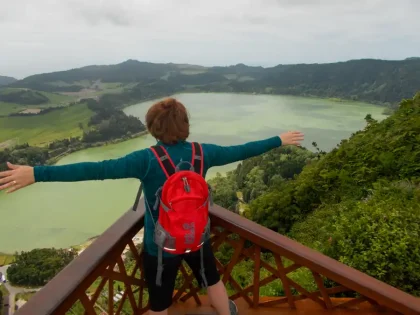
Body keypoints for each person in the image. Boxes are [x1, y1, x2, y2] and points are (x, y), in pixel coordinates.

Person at [0, 98, 304, 315]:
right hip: (197, 238)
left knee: (159, 303)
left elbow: (94, 169)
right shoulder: (203, 153)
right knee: (212, 281)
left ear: (153, 128)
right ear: (185, 125)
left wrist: (37, 173)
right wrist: (279, 139)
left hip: (161, 248)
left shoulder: (145, 159)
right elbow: (243, 149)